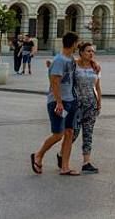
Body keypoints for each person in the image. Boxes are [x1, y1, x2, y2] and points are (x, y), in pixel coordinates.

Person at [31, 31, 80, 176]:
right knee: (58, 134)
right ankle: (38, 155)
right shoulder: (60, 60)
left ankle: (65, 166)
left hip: (71, 100)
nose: (78, 45)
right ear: (73, 44)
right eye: (77, 43)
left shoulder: (70, 59)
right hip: (59, 101)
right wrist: (59, 102)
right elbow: (55, 82)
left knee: (69, 133)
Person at [73, 42, 102, 174]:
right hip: (76, 105)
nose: (91, 54)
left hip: (91, 105)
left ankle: (86, 162)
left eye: (93, 51)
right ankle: (62, 154)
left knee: (88, 133)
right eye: (88, 51)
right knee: (73, 134)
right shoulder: (74, 65)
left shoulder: (95, 67)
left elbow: (97, 87)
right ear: (81, 53)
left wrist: (99, 103)